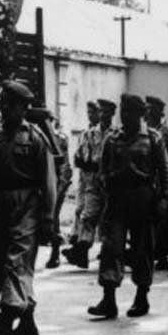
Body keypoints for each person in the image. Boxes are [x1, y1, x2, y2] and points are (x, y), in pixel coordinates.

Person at [0, 81, 56, 335]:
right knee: (9, 262)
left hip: (27, 204)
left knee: (17, 260)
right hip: (2, 204)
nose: (5, 109)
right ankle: (28, 324)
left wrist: (48, 219)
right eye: (4, 103)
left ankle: (6, 319)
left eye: (11, 105)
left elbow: (49, 181)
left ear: (23, 108)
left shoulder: (36, 138)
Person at [88, 94, 168, 319]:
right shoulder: (112, 138)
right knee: (111, 247)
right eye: (123, 111)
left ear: (140, 114)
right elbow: (102, 167)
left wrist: (165, 198)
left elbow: (165, 170)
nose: (125, 116)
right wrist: (105, 187)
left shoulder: (153, 138)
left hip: (142, 198)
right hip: (117, 198)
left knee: (142, 248)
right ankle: (108, 299)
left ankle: (141, 297)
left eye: (130, 112)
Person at [63, 99, 115, 267]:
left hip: (110, 183)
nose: (103, 115)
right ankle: (82, 251)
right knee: (88, 215)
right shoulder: (89, 134)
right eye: (101, 111)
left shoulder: (116, 134)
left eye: (106, 112)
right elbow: (79, 156)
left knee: (109, 219)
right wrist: (86, 165)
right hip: (92, 180)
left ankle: (108, 253)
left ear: (112, 114)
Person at [145, 96, 168, 270]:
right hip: (147, 180)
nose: (148, 111)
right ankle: (149, 253)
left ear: (160, 110)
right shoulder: (144, 129)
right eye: (147, 108)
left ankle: (163, 255)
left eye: (152, 108)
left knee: (163, 219)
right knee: (147, 219)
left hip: (163, 179)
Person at [45, 115, 73, 268]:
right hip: (43, 183)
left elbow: (65, 166)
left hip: (56, 184)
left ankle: (55, 253)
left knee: (53, 218)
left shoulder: (59, 139)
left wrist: (60, 187)